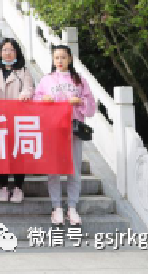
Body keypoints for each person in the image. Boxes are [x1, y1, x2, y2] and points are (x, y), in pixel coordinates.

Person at [34, 45, 96, 226]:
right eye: (56, 58)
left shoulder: (79, 80)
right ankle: (57, 207)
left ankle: (72, 207)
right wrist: (43, 100)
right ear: (53, 60)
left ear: (70, 59)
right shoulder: (47, 80)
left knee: (74, 169)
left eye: (63, 57)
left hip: (73, 130)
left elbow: (91, 106)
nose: (60, 61)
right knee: (53, 169)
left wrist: (80, 101)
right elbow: (35, 101)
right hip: (53, 129)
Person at [0, 38, 35, 204]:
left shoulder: (23, 71)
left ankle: (18, 187)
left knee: (17, 154)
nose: (7, 53)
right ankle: (3, 187)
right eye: (4, 50)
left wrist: (25, 95)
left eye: (11, 50)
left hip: (18, 119)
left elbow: (29, 88)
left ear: (17, 53)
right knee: (1, 154)